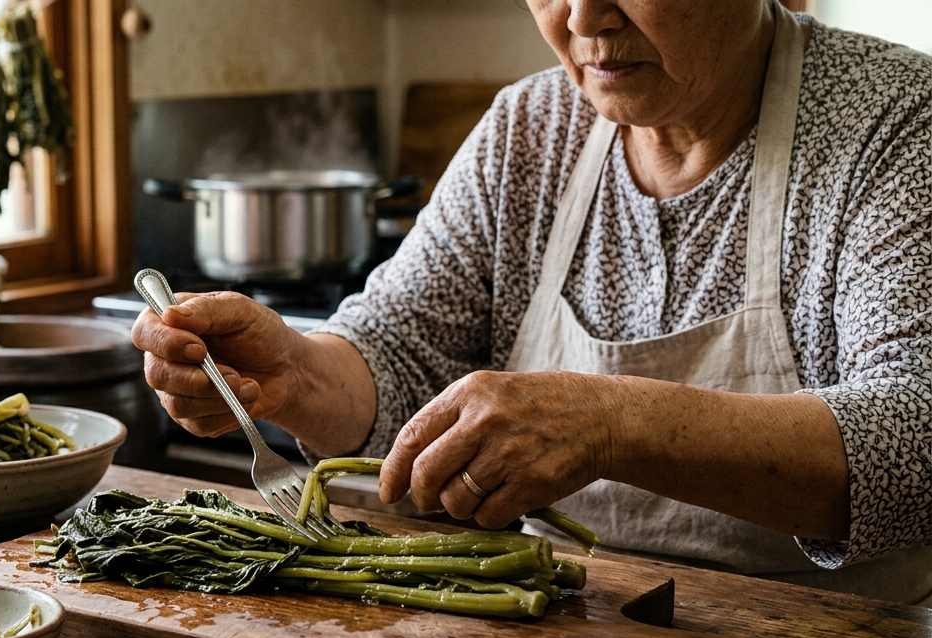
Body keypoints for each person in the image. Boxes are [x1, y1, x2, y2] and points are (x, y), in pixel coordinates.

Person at [132, 0, 932, 604]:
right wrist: (295, 377)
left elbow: (915, 441)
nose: (584, 17)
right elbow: (404, 350)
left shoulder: (894, 122)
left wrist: (611, 424)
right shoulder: (530, 127)